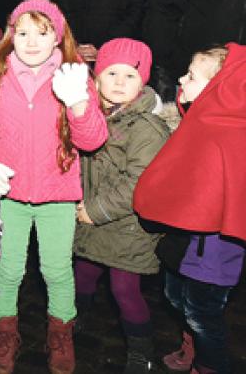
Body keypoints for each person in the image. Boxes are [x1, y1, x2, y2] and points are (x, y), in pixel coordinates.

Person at [0, 0, 108, 374]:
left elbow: (92, 140)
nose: (32, 41)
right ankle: (5, 332)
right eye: (22, 32)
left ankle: (60, 335)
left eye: (42, 32)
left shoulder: (73, 76)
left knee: (56, 270)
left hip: (57, 193)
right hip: (8, 193)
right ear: (10, 36)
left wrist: (79, 104)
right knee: (7, 269)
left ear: (58, 36)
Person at [132, 45, 244, 374]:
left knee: (202, 311)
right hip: (183, 243)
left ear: (218, 88)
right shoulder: (197, 123)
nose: (182, 79)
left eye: (191, 76)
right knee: (175, 296)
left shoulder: (230, 134)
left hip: (216, 252)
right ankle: (192, 344)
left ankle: (211, 364)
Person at [72, 38, 169, 374]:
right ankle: (76, 321)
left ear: (142, 83)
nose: (118, 82)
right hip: (90, 218)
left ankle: (141, 350)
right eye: (111, 72)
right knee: (83, 275)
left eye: (129, 75)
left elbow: (137, 183)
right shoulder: (89, 116)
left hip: (128, 226)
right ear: (96, 78)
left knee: (124, 289)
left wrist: (93, 210)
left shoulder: (147, 128)